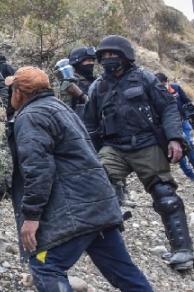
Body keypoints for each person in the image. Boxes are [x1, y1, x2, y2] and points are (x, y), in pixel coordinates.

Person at [5, 66, 153, 292]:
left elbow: (38, 169)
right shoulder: (61, 108)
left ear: (19, 92)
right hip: (100, 206)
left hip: (74, 212)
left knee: (46, 265)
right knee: (126, 274)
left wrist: (32, 217)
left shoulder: (30, 115)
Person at [84, 35, 194, 271]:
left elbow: (169, 108)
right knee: (97, 183)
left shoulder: (145, 78)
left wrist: (174, 138)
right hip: (114, 147)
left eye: (113, 55)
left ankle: (183, 250)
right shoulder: (97, 86)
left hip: (146, 143)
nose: (108, 60)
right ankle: (101, 242)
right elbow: (89, 123)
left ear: (125, 56)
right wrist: (87, 152)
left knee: (165, 195)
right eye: (104, 56)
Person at [55, 46, 136, 208]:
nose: (90, 63)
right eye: (86, 61)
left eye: (92, 61)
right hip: (83, 133)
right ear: (77, 63)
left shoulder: (99, 81)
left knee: (114, 163)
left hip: (105, 130)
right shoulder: (69, 84)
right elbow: (65, 111)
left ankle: (119, 196)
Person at [155, 73, 194, 183]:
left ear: (167, 81)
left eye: (163, 84)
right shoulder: (155, 94)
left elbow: (186, 100)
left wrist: (191, 105)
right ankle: (189, 173)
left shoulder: (176, 88)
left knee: (189, 143)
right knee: (177, 149)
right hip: (168, 126)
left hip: (183, 122)